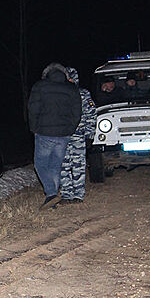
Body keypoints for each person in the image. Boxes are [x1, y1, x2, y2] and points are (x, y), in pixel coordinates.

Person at [28, 62, 82, 208]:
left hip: (44, 133)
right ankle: (53, 197)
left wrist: (34, 128)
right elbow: (77, 113)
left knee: (40, 164)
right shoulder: (72, 89)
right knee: (55, 165)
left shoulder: (39, 86)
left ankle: (51, 193)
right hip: (64, 134)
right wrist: (70, 130)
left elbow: (33, 110)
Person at [58, 67, 97, 207]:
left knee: (78, 165)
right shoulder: (59, 95)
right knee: (63, 165)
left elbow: (91, 115)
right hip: (62, 136)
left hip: (78, 135)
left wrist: (89, 134)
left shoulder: (83, 94)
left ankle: (78, 195)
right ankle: (66, 194)